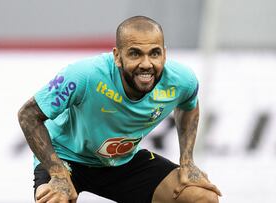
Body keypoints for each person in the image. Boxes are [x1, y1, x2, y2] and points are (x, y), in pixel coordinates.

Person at [18, 15, 221, 203]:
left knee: (203, 197)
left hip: (122, 161)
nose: (146, 64)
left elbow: (189, 106)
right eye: (135, 54)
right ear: (117, 56)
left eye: (155, 53)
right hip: (66, 157)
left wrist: (187, 160)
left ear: (164, 54)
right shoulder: (84, 75)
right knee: (55, 200)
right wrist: (58, 172)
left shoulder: (182, 81)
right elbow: (28, 115)